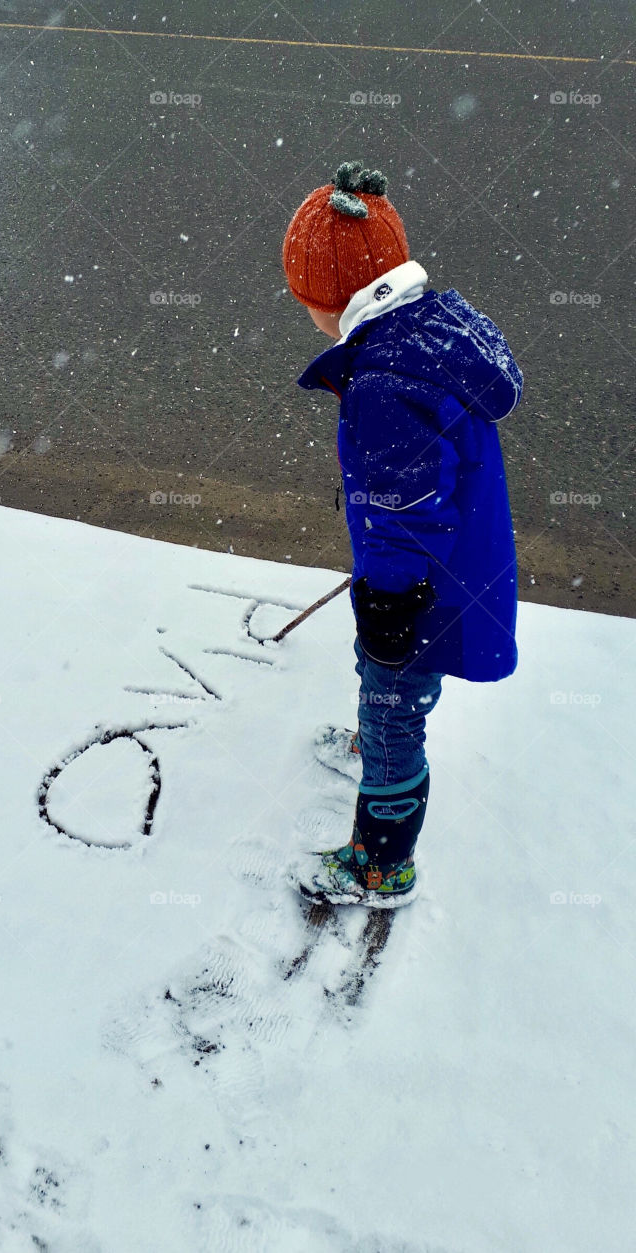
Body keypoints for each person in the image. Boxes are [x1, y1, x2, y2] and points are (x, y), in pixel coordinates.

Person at [282, 160, 523, 907]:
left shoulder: (386, 386)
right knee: (393, 696)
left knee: (391, 694)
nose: (308, 314)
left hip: (423, 590)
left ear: (337, 303)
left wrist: (387, 604)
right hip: (454, 561)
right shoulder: (429, 329)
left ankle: (382, 865)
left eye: (309, 300)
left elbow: (406, 512)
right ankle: (379, 733)